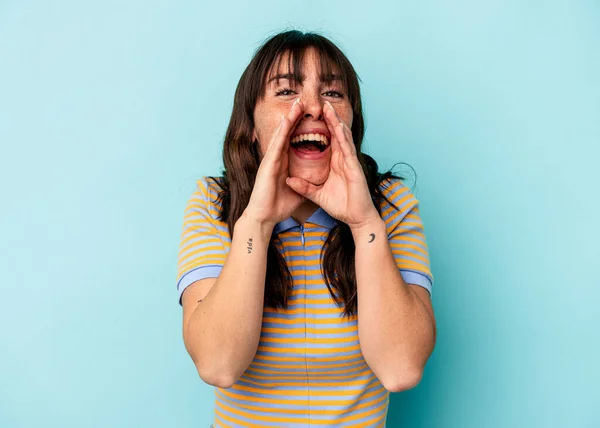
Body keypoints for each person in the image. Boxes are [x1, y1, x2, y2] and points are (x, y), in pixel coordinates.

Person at [176, 30, 436, 427]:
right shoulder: (213, 203)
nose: (313, 107)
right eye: (286, 92)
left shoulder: (391, 205)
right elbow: (218, 364)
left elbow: (400, 369)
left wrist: (365, 223)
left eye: (333, 93)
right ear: (250, 126)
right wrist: (258, 223)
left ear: (351, 122)